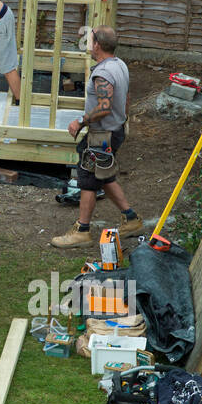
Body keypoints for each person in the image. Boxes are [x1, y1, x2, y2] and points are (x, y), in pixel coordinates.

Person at [50, 26, 144, 247]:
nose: (87, 44)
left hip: (102, 136)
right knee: (104, 175)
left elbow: (104, 106)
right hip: (114, 130)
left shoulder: (103, 73)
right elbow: (126, 97)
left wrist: (80, 122)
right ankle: (131, 219)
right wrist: (122, 121)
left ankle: (82, 231)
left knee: (88, 180)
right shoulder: (119, 64)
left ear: (97, 46)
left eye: (90, 40)